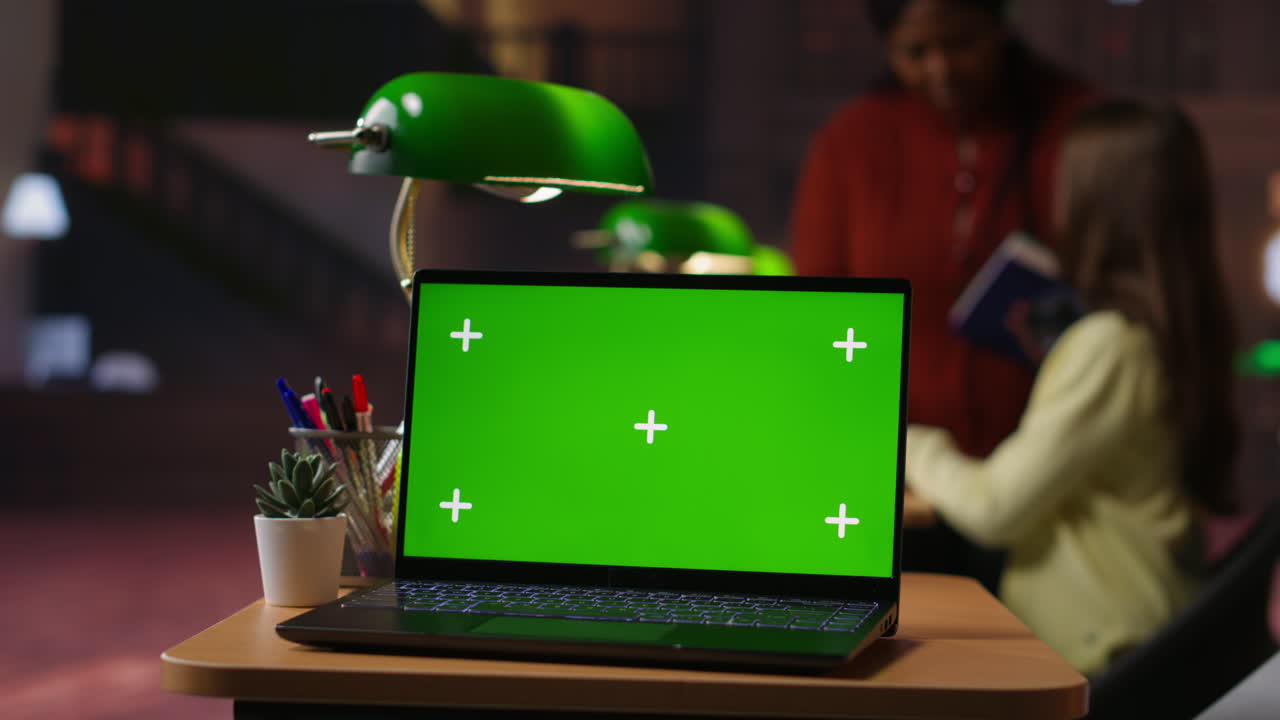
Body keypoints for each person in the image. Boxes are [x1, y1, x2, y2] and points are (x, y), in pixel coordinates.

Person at [904, 98, 1238, 676]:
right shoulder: (1174, 330)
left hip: (1102, 646)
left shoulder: (1110, 345)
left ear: (1091, 202)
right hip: (1141, 626)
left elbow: (994, 509)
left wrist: (909, 442)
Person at [788, 0, 1096, 458]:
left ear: (1000, 28)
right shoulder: (850, 143)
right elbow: (816, 312)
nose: (941, 69)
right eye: (915, 53)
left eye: (961, 44)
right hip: (894, 460)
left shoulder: (1076, 127)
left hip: (1049, 464)